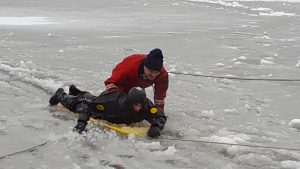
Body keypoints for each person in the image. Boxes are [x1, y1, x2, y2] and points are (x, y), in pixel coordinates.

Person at [49, 85, 167, 138]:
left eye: (140, 105)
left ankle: (75, 91)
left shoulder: (146, 105)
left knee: (91, 98)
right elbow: (87, 106)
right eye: (135, 105)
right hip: (102, 110)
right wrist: (81, 123)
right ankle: (61, 94)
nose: (138, 108)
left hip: (100, 102)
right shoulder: (113, 101)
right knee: (78, 104)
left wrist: (156, 125)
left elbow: (160, 115)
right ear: (129, 102)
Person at [104, 48, 169, 110]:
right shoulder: (128, 68)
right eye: (151, 71)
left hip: (139, 84)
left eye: (157, 72)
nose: (154, 75)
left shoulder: (162, 75)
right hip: (123, 82)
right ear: (145, 66)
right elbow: (109, 83)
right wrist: (119, 100)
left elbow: (160, 97)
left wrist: (159, 111)